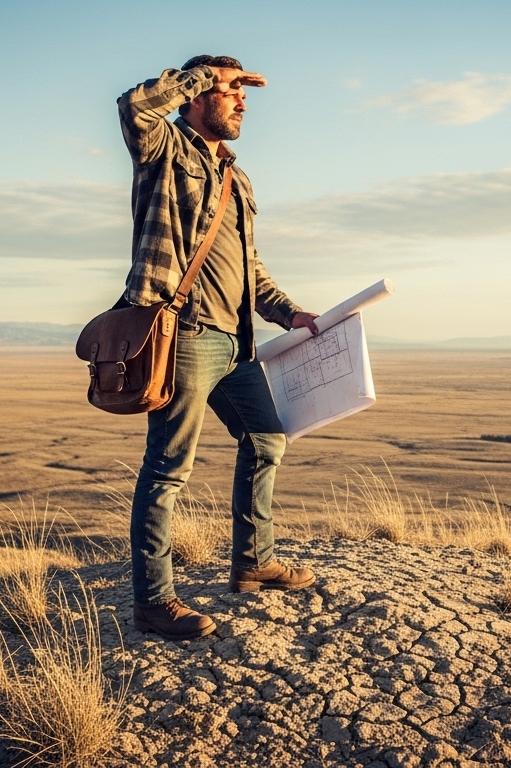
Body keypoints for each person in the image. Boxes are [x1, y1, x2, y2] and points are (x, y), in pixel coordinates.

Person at [116, 55, 319, 641]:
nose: (243, 101)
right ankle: (154, 602)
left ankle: (253, 562)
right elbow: (133, 106)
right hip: (183, 334)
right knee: (168, 467)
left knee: (266, 440)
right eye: (231, 91)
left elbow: (250, 270)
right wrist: (204, 75)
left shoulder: (237, 177)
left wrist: (292, 314)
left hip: (236, 342)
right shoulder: (165, 151)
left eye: (239, 93)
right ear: (198, 96)